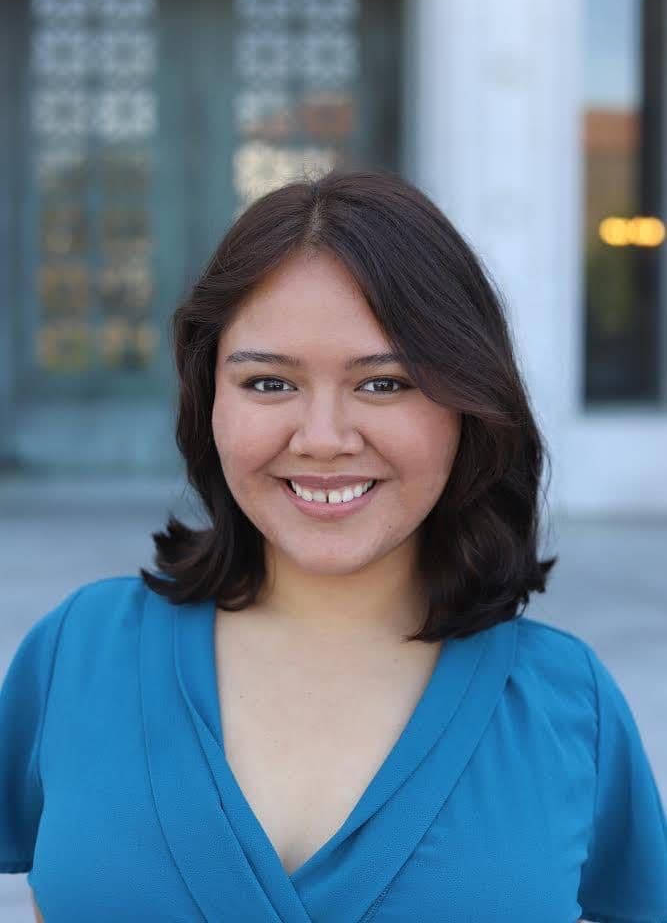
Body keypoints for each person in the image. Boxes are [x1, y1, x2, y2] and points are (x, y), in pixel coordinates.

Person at [1, 169, 666, 923]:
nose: (321, 440)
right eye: (267, 384)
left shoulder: (562, 701)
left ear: (468, 407)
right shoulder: (78, 652)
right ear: (207, 398)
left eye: (383, 385)